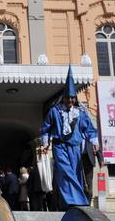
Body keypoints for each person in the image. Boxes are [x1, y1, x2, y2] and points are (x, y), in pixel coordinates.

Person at [40, 67, 99, 209]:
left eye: (72, 97)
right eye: (68, 97)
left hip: (75, 147)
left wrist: (94, 141)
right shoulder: (55, 111)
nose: (70, 100)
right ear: (64, 97)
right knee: (65, 171)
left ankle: (70, 203)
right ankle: (78, 200)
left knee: (75, 172)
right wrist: (45, 143)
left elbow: (89, 129)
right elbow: (45, 128)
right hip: (59, 146)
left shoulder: (80, 113)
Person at [81, 135, 104, 203]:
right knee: (80, 181)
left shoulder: (92, 135)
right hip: (79, 160)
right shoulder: (77, 134)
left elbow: (98, 148)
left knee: (89, 182)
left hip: (89, 160)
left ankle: (88, 201)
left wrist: (101, 160)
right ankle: (81, 201)